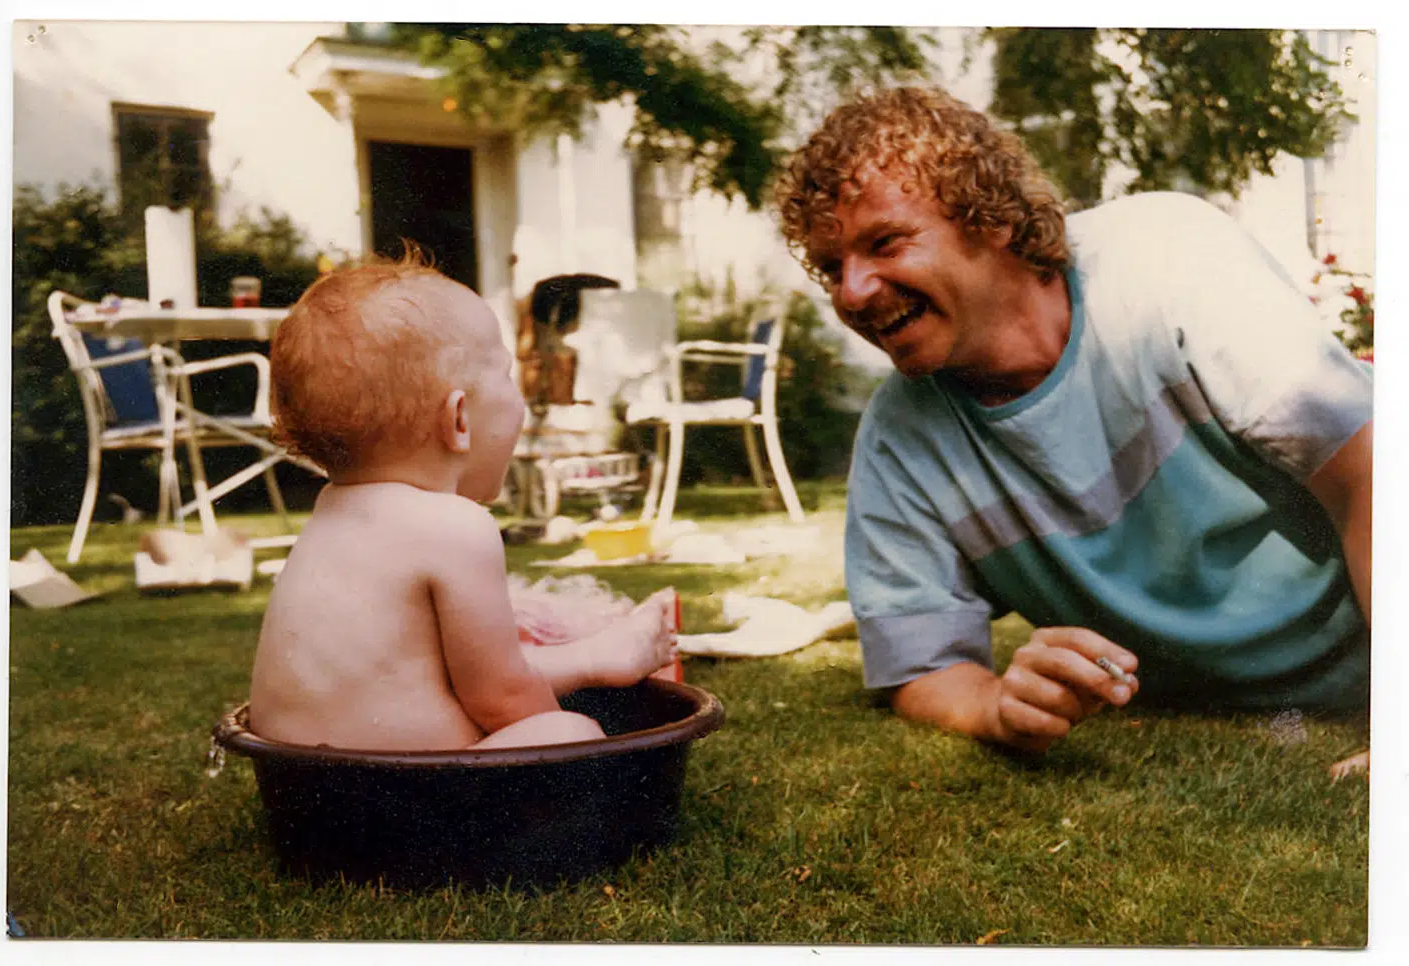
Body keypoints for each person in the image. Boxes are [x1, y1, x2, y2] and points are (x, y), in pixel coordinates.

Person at [774, 87, 1371, 771]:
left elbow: (1371, 474)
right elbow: (919, 665)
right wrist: (994, 704)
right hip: (1250, 712)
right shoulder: (901, 436)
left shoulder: (1166, 259)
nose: (850, 293)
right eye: (831, 267)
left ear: (989, 217)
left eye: (885, 242)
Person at [249, 256, 678, 752]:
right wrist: (580, 747)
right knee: (571, 731)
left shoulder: (333, 511)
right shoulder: (456, 526)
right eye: (506, 376)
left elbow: (440, 673)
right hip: (414, 792)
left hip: (302, 786)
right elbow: (502, 696)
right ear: (459, 420)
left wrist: (593, 658)